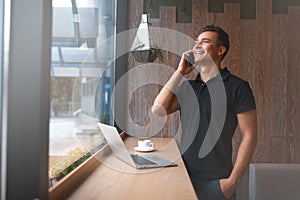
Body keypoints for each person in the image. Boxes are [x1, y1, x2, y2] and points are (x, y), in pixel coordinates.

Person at [152, 25, 257, 200]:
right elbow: (157, 110)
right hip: (182, 177)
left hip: (217, 182)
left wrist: (232, 183)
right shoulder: (188, 87)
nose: (197, 46)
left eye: (205, 41)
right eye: (196, 42)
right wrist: (180, 72)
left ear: (221, 50)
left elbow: (250, 136)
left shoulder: (238, 87)